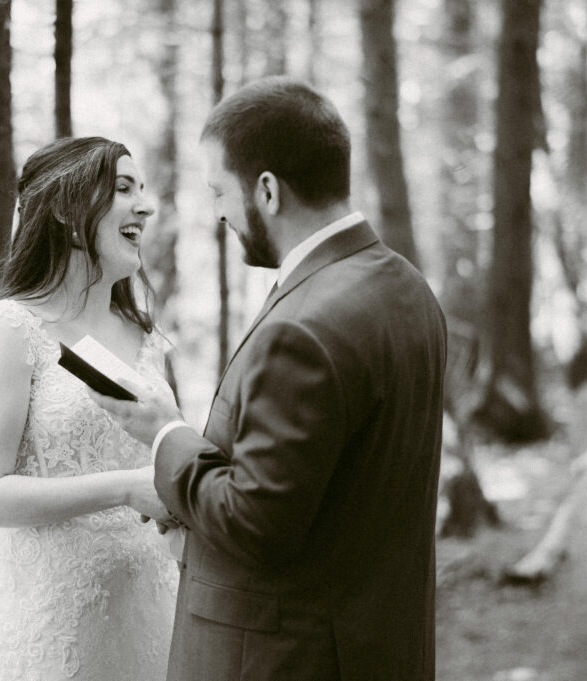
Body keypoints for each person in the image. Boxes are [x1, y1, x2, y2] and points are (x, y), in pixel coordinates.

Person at [90, 77, 447, 680]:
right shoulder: (408, 288)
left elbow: (257, 523)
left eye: (221, 192)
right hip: (381, 646)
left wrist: (165, 435)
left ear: (267, 190)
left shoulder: (302, 328)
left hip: (289, 659)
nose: (222, 213)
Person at [0, 136, 179, 681]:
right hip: (50, 614)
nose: (143, 207)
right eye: (123, 188)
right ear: (62, 208)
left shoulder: (146, 336)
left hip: (153, 601)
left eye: (142, 191)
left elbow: (170, 453)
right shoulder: (10, 330)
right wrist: (126, 488)